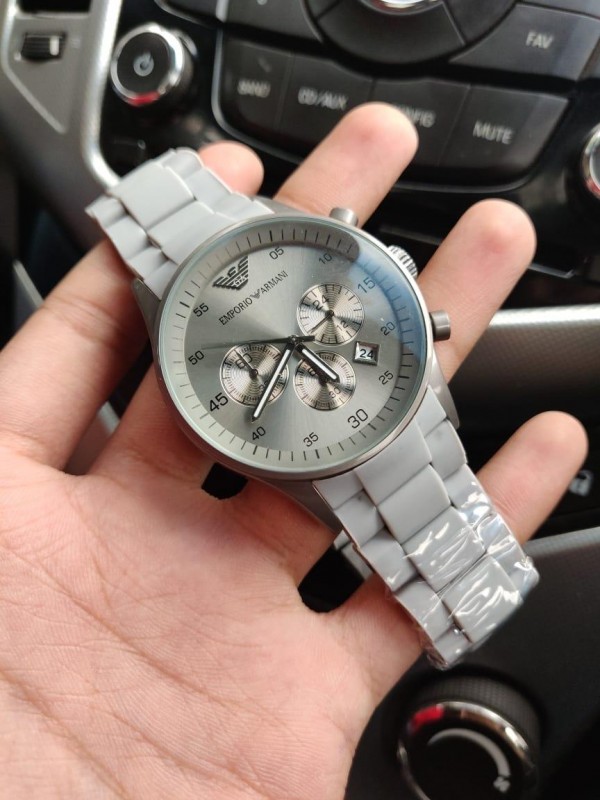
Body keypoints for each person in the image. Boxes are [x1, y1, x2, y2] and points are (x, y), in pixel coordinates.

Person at [0, 104, 587, 799]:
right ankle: (467, 592)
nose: (292, 334)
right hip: (322, 428)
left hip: (384, 398)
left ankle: (473, 590)